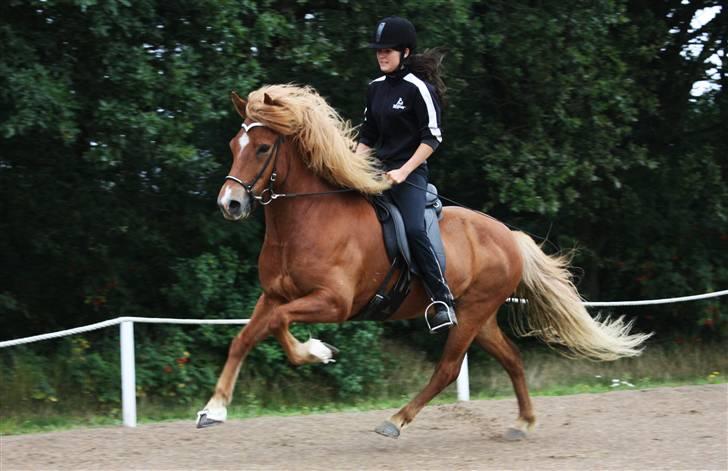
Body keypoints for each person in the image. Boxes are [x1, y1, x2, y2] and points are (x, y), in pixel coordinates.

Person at [356, 16, 456, 333]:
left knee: (414, 229)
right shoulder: (374, 89)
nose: (382, 55)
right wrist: (350, 165)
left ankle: (442, 300)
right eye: (378, 51)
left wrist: (404, 170)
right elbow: (367, 137)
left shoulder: (418, 90)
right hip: (376, 172)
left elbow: (433, 137)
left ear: (405, 52)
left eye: (388, 50)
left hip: (409, 174)